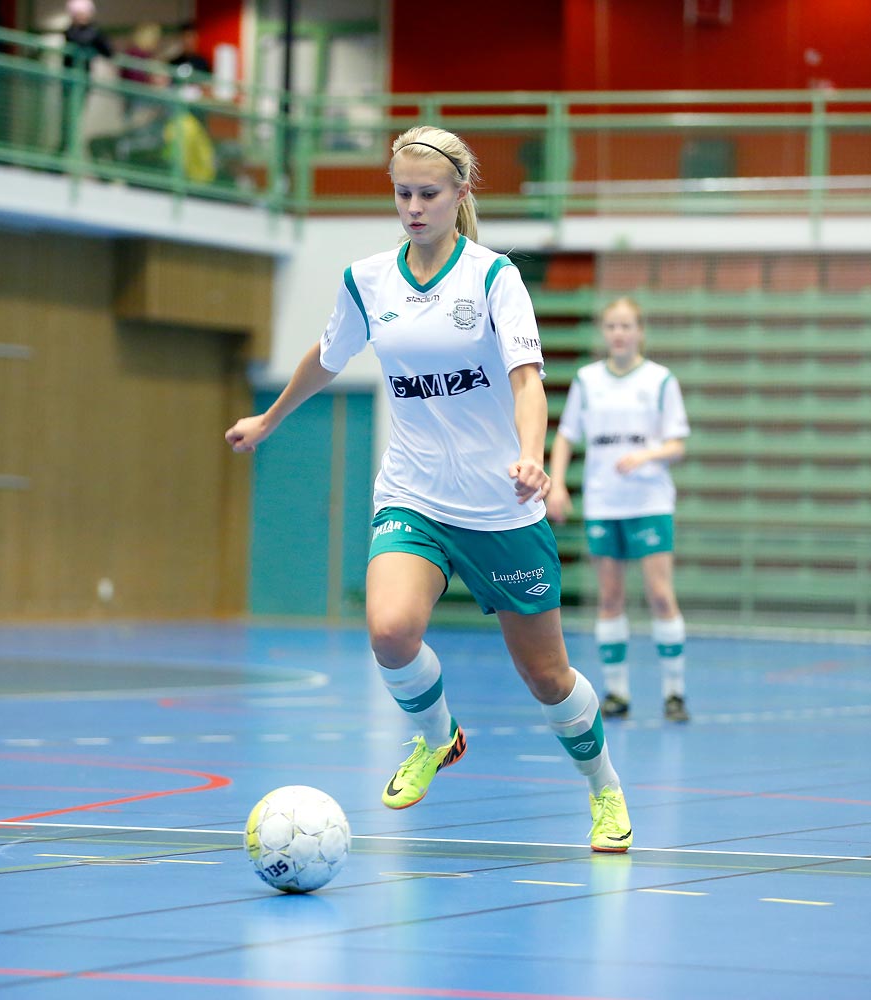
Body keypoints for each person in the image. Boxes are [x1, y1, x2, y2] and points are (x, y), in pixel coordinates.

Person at [225, 125, 633, 853]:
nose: (413, 207)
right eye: (402, 193)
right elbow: (327, 358)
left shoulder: (493, 278)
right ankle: (437, 736)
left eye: (428, 194)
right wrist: (270, 418)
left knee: (547, 677)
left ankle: (604, 786)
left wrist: (533, 457)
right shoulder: (368, 281)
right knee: (389, 630)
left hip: (499, 506)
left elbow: (527, 380)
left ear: (460, 195)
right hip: (413, 494)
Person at [546, 297, 691, 723]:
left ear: (640, 331)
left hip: (649, 503)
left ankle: (674, 693)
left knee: (661, 595)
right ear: (604, 332)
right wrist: (556, 485)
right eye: (611, 326)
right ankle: (617, 693)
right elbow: (566, 436)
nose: (619, 333)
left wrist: (646, 457)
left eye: (627, 326)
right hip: (603, 502)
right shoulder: (587, 381)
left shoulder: (661, 380)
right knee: (609, 597)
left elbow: (677, 445)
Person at [58, 0, 111, 156]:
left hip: (83, 82)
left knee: (74, 119)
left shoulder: (94, 32)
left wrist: (96, 37)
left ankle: (68, 151)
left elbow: (108, 51)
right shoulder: (71, 32)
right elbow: (76, 40)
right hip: (70, 82)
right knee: (67, 120)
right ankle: (65, 151)